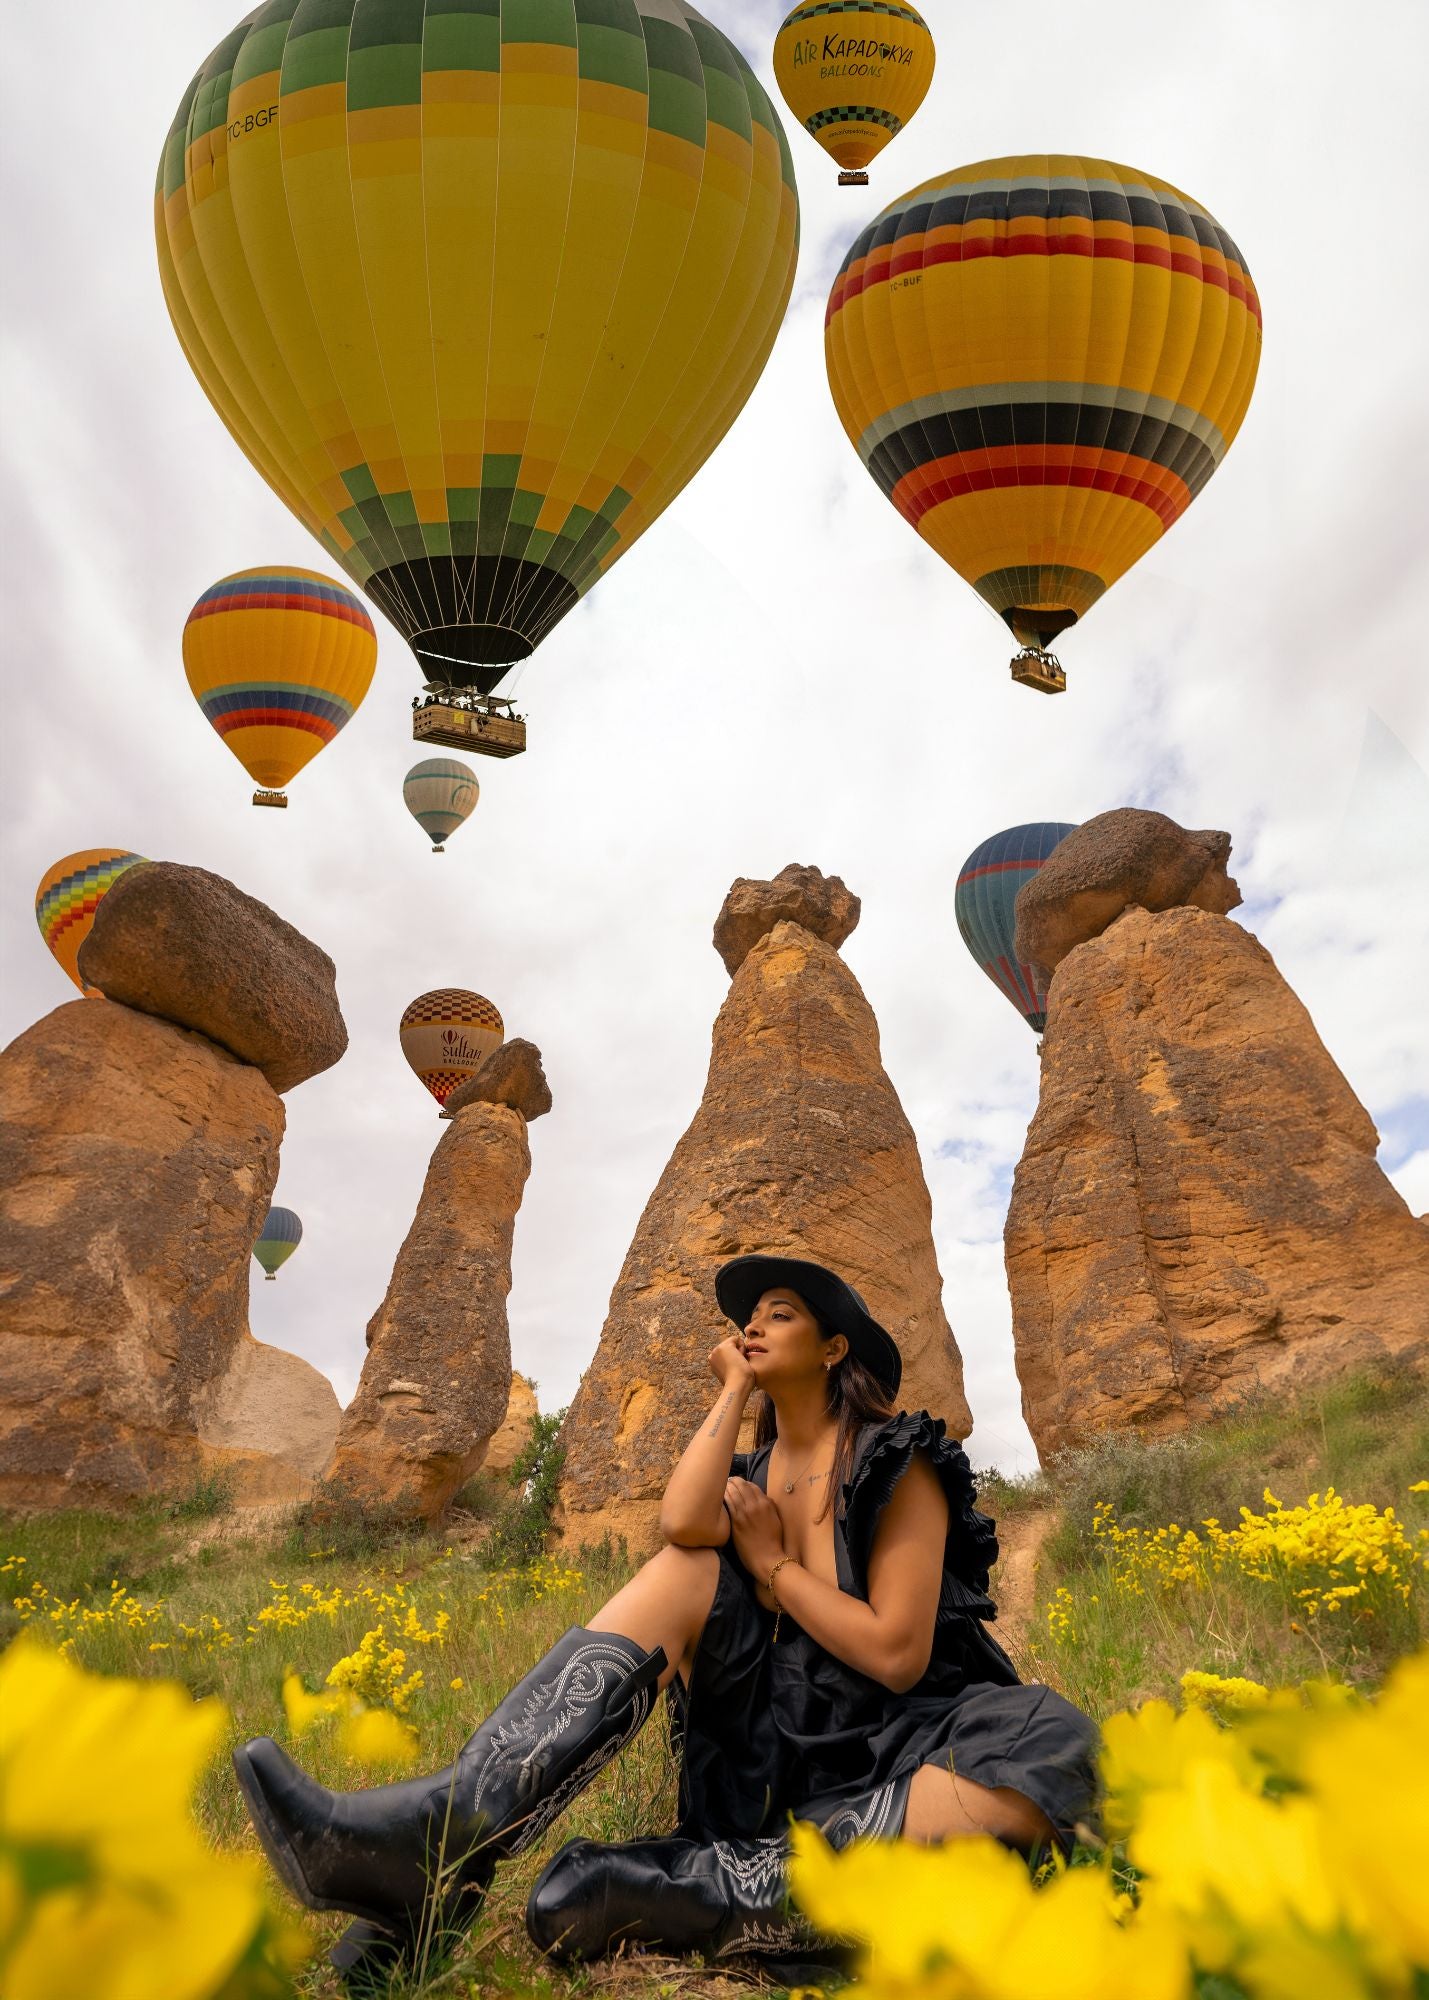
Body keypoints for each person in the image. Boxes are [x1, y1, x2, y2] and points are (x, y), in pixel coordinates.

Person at [232, 1256, 1098, 1984]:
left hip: (906, 1743)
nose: (750, 1329)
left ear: (834, 1348)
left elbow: (898, 1655)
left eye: (779, 1316)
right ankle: (446, 1839)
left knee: (1047, 1755)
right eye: (745, 1320)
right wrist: (732, 1393)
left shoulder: (894, 1459)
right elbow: (682, 1525)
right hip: (775, 1759)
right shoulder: (750, 1467)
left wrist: (771, 1567)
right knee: (689, 1568)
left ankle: (663, 1889)